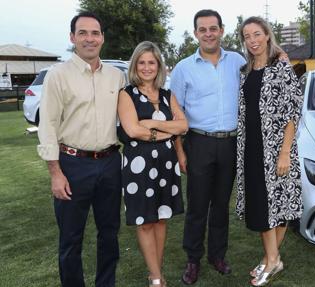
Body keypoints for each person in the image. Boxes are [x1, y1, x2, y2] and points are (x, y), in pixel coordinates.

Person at [37, 12, 126, 287]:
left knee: (109, 234)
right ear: (72, 37)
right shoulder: (57, 75)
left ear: (102, 38)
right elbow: (48, 124)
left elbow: (128, 119)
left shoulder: (117, 76)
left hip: (111, 163)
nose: (90, 38)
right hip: (72, 165)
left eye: (95, 33)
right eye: (83, 33)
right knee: (71, 238)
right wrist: (55, 173)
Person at [169, 9, 246, 285]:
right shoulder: (183, 68)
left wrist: (282, 56)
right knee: (198, 206)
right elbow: (175, 114)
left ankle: (217, 255)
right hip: (198, 143)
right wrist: (180, 152)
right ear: (196, 33)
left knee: (221, 205)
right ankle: (193, 259)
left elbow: (264, 63)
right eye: (203, 29)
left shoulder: (238, 62)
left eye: (213, 28)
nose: (209, 33)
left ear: (222, 30)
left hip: (230, 143)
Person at [235, 16, 303, 286]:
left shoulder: (282, 68)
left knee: (279, 205)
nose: (252, 40)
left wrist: (285, 152)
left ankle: (272, 260)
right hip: (252, 148)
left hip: (277, 148)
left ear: (266, 35)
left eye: (256, 34)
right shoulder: (246, 71)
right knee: (263, 204)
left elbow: (292, 112)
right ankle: (271, 257)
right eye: (247, 36)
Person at [117, 41, 188, 287]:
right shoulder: (126, 94)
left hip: (167, 165)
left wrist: (153, 124)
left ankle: (155, 272)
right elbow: (133, 130)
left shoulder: (168, 95)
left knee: (161, 218)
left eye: (152, 62)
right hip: (139, 165)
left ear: (159, 66)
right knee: (144, 221)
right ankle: (156, 277)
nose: (147, 67)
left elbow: (184, 125)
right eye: (142, 62)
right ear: (135, 65)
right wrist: (165, 132)